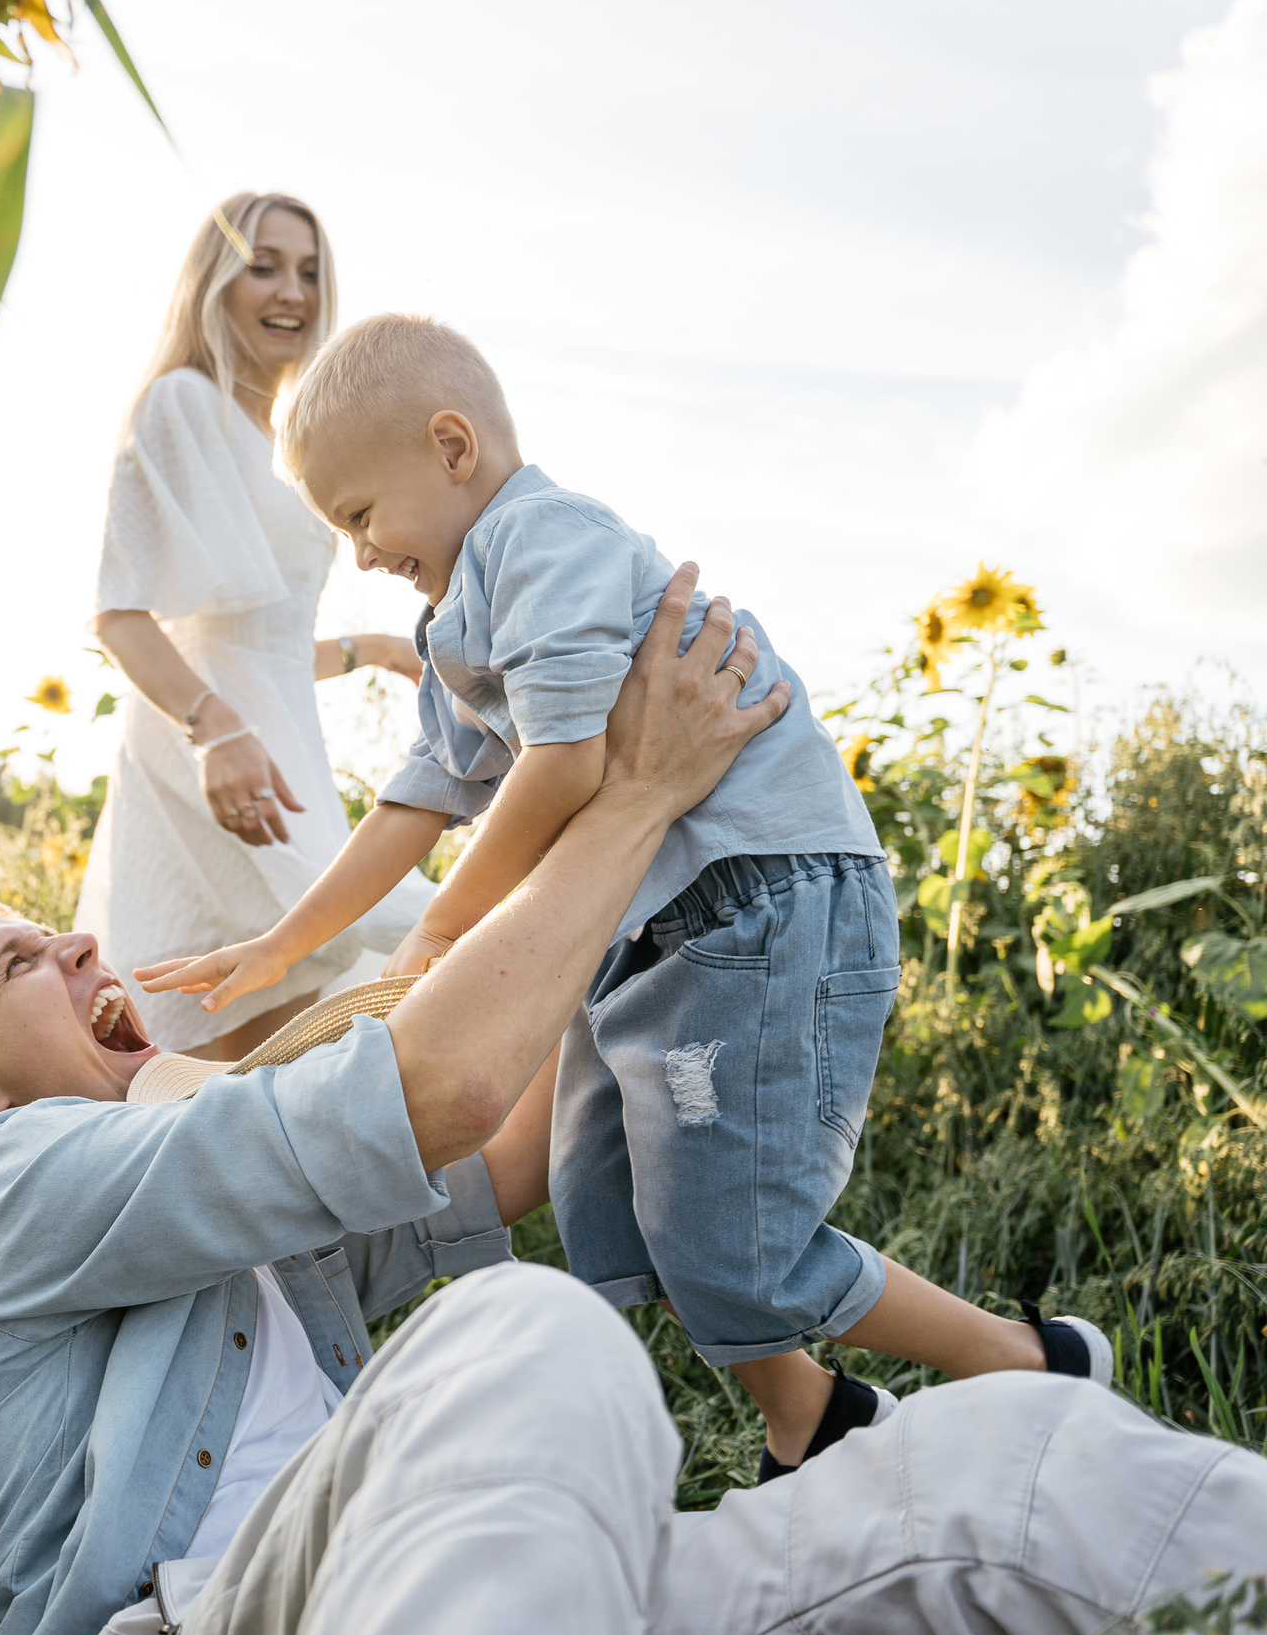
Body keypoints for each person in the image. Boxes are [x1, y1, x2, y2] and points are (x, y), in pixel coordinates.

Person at [0, 572, 1267, 1635]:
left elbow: (509, 1150)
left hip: (465, 1586)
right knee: (528, 1331)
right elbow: (439, 1088)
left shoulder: (217, 1198)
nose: (81, 942)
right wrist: (626, 800)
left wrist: (670, 908)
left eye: (54, 929)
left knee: (1008, 1463)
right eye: (21, 964)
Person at [136, 314, 1102, 1480]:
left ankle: (1026, 1364)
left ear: (450, 447)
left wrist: (445, 928)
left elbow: (567, 762)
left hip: (760, 904)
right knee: (614, 1205)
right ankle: (813, 1415)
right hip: (657, 933)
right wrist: (286, 941)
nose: (360, 553)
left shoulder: (545, 541)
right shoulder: (451, 616)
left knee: (727, 1237)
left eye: (357, 515)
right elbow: (419, 796)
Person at [76, 193, 431, 1061]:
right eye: (263, 265)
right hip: (213, 746)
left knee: (313, 973)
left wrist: (373, 650)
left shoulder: (275, 439)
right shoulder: (180, 403)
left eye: (309, 271)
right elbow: (124, 614)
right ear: (214, 281)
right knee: (346, 946)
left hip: (277, 736)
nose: (293, 291)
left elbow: (251, 637)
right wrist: (214, 732)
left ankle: (236, 1173)